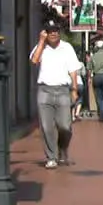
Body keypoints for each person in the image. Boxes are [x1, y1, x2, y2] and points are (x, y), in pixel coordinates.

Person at [29, 20, 82, 169]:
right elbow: (34, 60)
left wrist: (74, 89)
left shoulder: (67, 48)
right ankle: (51, 157)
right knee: (46, 127)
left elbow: (73, 69)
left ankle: (62, 148)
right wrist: (41, 41)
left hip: (62, 91)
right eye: (50, 31)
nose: (53, 33)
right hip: (44, 90)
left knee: (65, 126)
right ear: (45, 33)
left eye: (56, 31)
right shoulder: (42, 46)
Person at [88, 35, 103, 122]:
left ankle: (101, 112)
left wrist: (89, 78)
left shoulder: (93, 56)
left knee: (98, 95)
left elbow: (89, 68)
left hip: (96, 76)